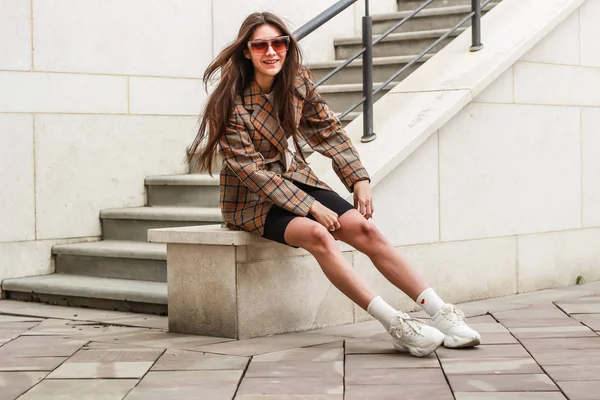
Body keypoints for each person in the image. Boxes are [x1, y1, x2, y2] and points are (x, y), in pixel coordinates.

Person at [188, 12, 480, 357]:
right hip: (249, 200)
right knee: (318, 235)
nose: (271, 52)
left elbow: (327, 128)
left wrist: (358, 177)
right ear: (246, 52)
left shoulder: (295, 80)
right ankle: (398, 325)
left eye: (279, 43)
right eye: (261, 45)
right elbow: (252, 172)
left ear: (287, 46)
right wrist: (311, 206)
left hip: (292, 177)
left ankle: (441, 313)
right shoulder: (229, 104)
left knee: (365, 230)